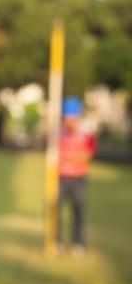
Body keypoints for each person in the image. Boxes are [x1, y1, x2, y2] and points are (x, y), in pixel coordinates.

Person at [57, 96, 96, 257]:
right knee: (56, 210)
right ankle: (57, 241)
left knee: (78, 210)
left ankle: (77, 244)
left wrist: (69, 157)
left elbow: (86, 156)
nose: (69, 122)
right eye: (66, 118)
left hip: (78, 177)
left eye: (72, 118)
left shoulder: (87, 133)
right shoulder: (57, 133)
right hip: (60, 177)